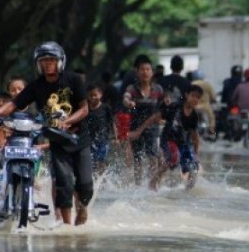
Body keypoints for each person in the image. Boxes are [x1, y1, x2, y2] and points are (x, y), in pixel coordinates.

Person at [0, 41, 93, 226]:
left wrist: (67, 121)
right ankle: (66, 226)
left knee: (86, 185)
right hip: (57, 140)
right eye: (44, 60)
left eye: (52, 60)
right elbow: (14, 103)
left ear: (60, 61)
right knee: (64, 184)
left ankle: (83, 208)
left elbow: (84, 109)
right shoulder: (36, 86)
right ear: (38, 64)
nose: (48, 63)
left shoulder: (73, 80)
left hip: (79, 138)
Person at [128, 84, 203, 191]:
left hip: (181, 142)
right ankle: (152, 184)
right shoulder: (175, 107)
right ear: (187, 95)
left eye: (198, 97)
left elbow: (195, 135)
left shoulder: (194, 116)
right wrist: (138, 131)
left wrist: (196, 153)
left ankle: (187, 192)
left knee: (193, 167)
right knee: (173, 157)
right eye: (193, 96)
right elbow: (154, 118)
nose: (195, 99)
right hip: (168, 139)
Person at [122, 54, 164, 186]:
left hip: (153, 128)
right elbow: (126, 98)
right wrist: (128, 103)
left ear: (152, 72)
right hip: (135, 128)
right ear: (137, 71)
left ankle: (153, 186)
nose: (145, 72)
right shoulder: (132, 89)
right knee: (138, 159)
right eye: (142, 69)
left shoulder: (158, 89)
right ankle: (138, 186)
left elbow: (163, 107)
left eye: (148, 69)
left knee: (153, 157)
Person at [86, 83, 116, 176]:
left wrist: (115, 137)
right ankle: (95, 178)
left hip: (103, 139)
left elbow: (112, 123)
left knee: (102, 160)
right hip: (90, 140)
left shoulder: (105, 107)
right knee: (93, 161)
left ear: (100, 95)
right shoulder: (86, 109)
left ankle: (102, 178)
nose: (93, 97)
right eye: (91, 95)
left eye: (95, 95)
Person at [191, 70, 217, 137]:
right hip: (205, 107)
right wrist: (213, 100)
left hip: (194, 107)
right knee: (212, 118)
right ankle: (211, 130)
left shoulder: (192, 84)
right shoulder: (207, 84)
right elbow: (213, 96)